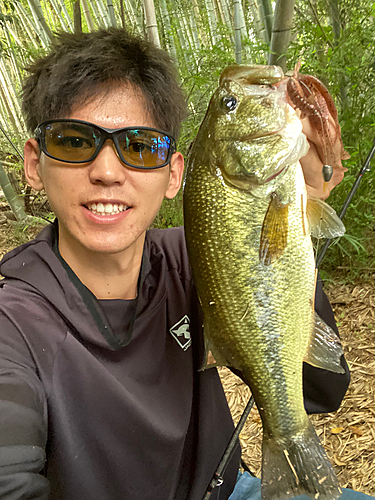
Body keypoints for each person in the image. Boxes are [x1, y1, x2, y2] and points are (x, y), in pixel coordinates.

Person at [0, 28, 367, 500]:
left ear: (174, 174)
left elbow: (322, 389)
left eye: (140, 146)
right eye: (74, 141)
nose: (107, 172)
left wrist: (301, 212)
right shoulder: (13, 325)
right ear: (34, 163)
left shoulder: (195, 257)